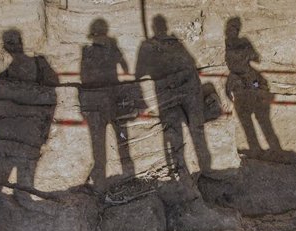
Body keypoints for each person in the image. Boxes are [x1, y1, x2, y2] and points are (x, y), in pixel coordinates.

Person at [135, 15, 210, 176]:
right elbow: (139, 74)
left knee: (195, 125)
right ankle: (195, 164)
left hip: (182, 87)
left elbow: (139, 74)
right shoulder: (153, 46)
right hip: (170, 90)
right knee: (184, 127)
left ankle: (200, 164)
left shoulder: (163, 45)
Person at [0, 29, 58, 193]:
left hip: (23, 127)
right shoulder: (10, 68)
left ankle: (22, 193)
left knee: (21, 169)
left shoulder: (31, 63)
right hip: (16, 127)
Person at [80, 18, 142, 187]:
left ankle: (100, 180)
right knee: (120, 137)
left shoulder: (88, 51)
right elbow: (125, 66)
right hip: (111, 97)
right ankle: (128, 173)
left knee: (98, 142)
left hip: (95, 100)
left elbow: (84, 75)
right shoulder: (111, 46)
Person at [225, 17, 281, 154]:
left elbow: (256, 58)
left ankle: (267, 148)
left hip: (241, 78)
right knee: (249, 117)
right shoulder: (240, 43)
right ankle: (261, 148)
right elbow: (256, 58)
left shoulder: (232, 44)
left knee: (254, 116)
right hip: (240, 78)